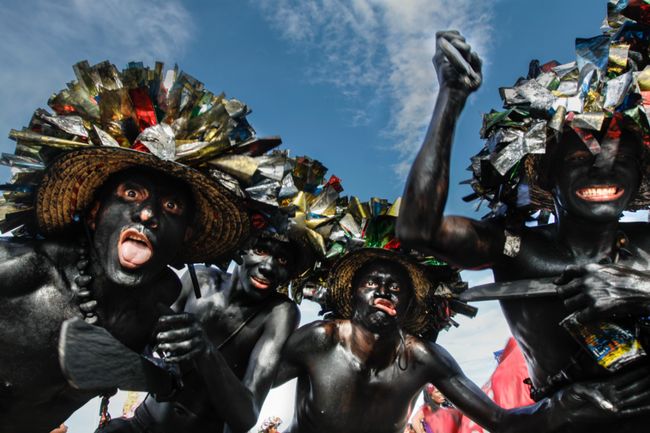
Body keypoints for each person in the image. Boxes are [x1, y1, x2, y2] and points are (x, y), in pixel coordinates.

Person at [397, 7, 650, 433]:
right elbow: (418, 229)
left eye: (622, 159)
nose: (603, 170)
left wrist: (641, 290)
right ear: (549, 174)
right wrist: (451, 99)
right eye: (579, 158)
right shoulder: (518, 251)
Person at [0, 60, 254, 433]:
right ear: (95, 213)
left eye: (171, 207)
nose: (148, 214)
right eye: (131, 193)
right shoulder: (20, 273)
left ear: (184, 236)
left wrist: (200, 352)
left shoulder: (155, 307)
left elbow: (243, 417)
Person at [275, 200, 650, 433]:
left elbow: (502, 422)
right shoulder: (319, 339)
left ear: (409, 306)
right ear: (351, 294)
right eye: (373, 282)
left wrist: (558, 408)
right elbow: (251, 384)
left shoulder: (423, 358)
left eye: (397, 287)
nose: (385, 291)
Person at [97, 154, 330, 433]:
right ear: (242, 249)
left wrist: (204, 350)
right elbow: (145, 345)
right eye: (262, 249)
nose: (268, 266)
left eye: (282, 261)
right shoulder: (202, 279)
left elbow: (246, 416)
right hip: (144, 423)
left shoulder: (280, 313)